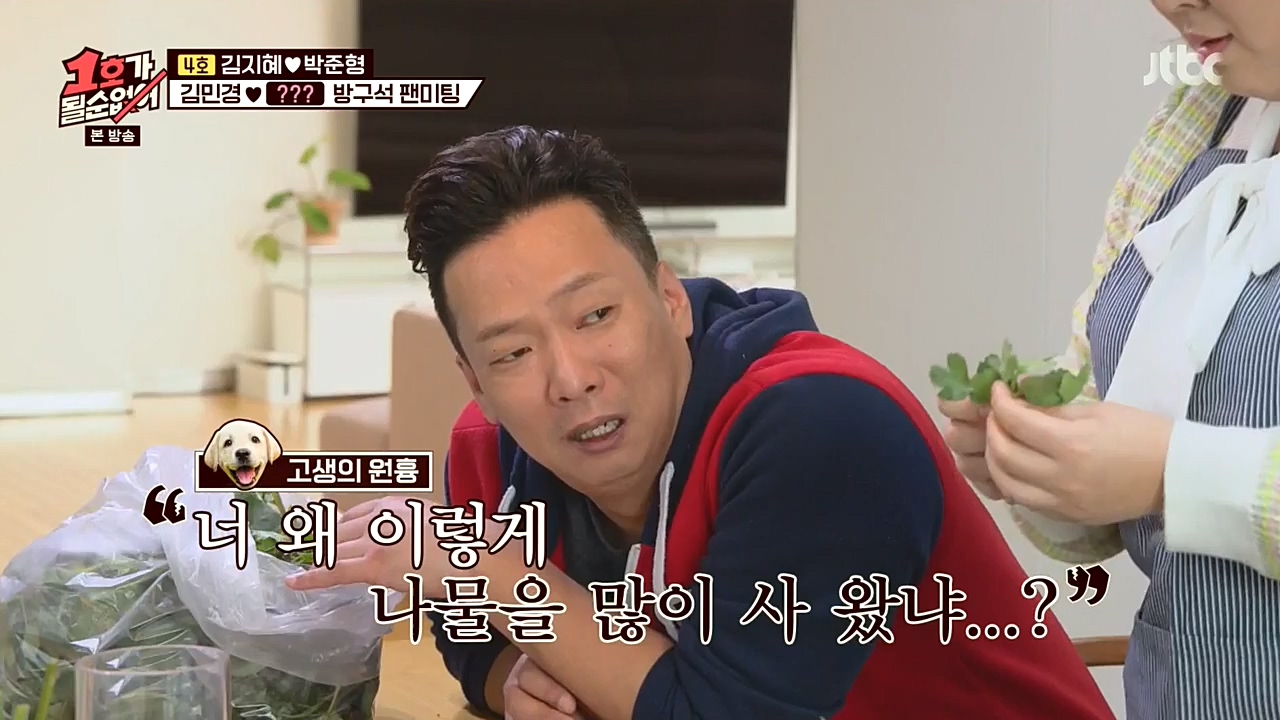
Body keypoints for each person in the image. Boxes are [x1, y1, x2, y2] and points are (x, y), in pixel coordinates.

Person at [286, 126, 1113, 720]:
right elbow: (466, 629)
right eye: (512, 354)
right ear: (474, 379)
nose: (571, 379)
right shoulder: (486, 447)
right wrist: (511, 679)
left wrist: (494, 573)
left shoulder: (819, 424)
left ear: (671, 298)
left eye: (596, 314)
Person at [938, 3, 1280, 719]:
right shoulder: (1196, 120)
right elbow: (1119, 403)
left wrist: (1176, 472)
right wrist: (1045, 456)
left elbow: (1165, 463)